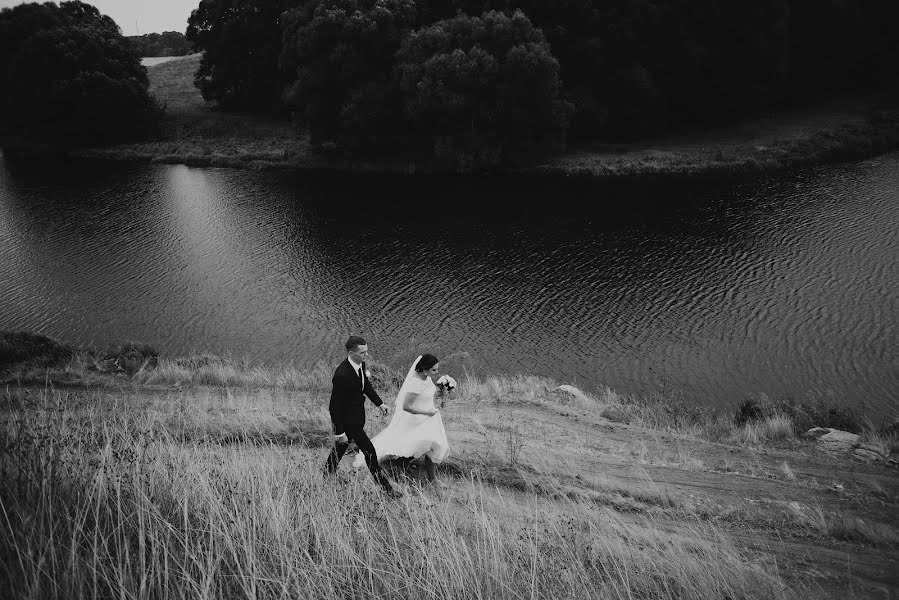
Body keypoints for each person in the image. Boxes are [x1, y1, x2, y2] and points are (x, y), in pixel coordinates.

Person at [324, 336, 401, 498]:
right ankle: (387, 489)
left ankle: (325, 476)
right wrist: (339, 432)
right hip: (348, 423)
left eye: (367, 351)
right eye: (363, 352)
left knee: (338, 451)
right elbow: (334, 407)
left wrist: (380, 404)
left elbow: (365, 386)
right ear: (352, 353)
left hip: (357, 418)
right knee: (370, 453)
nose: (367, 355)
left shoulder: (360, 364)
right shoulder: (342, 375)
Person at [354, 353, 450, 483]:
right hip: (417, 419)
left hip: (429, 417)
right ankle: (400, 465)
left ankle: (432, 479)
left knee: (434, 445)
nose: (437, 372)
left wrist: (444, 391)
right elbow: (407, 406)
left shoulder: (426, 377)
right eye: (434, 369)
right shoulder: (415, 383)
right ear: (424, 368)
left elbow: (426, 395)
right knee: (417, 446)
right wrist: (426, 413)